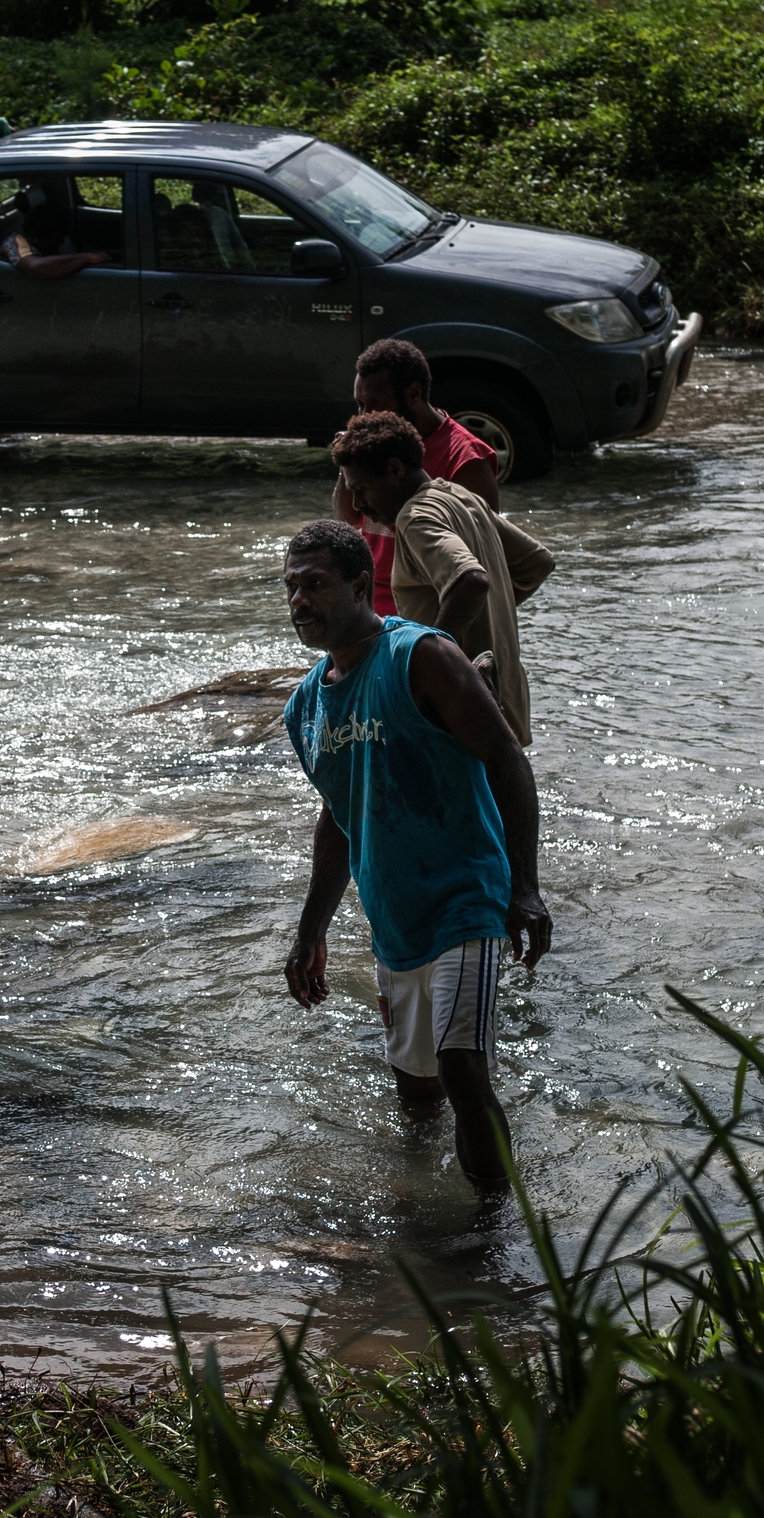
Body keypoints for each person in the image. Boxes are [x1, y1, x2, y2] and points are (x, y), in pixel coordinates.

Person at [278, 519, 552, 1193]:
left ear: (358, 584)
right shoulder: (305, 707)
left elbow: (506, 759)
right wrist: (311, 929)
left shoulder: (420, 655)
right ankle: (421, 1212)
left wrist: (525, 886)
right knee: (417, 1092)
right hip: (393, 917)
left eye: (314, 584)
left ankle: (494, 1242)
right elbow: (339, 817)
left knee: (462, 1066)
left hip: (466, 895)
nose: (299, 601)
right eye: (290, 588)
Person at [330, 411, 552, 745]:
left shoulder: (414, 517)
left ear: (394, 469)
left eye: (361, 489)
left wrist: (431, 665)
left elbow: (471, 581)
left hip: (463, 709)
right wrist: (487, 613)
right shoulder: (459, 496)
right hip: (504, 699)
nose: (358, 504)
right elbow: (536, 562)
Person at [332, 340, 502, 617]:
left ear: (413, 394)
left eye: (375, 404)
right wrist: (346, 464)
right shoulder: (367, 449)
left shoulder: (466, 459)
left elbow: (483, 564)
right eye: (360, 404)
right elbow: (347, 525)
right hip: (365, 608)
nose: (364, 416)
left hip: (420, 612)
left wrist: (438, 639)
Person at [0, 180, 111, 279]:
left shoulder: (50, 245)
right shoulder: (15, 242)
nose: (59, 245)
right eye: (53, 240)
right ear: (32, 236)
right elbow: (36, 267)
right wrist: (87, 257)